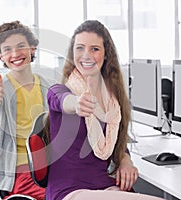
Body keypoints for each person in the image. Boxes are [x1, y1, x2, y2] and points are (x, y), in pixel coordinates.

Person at [45, 20, 162, 200]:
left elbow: (114, 141)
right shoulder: (60, 90)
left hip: (103, 187)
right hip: (69, 191)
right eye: (80, 48)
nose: (86, 55)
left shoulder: (112, 101)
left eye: (95, 49)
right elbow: (61, 101)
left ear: (106, 54)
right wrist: (77, 103)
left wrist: (125, 159)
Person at [0, 21, 50, 199]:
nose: (15, 54)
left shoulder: (47, 85)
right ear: (1, 56)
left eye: (21, 46)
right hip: (19, 171)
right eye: (7, 49)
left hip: (50, 166)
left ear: (32, 48)